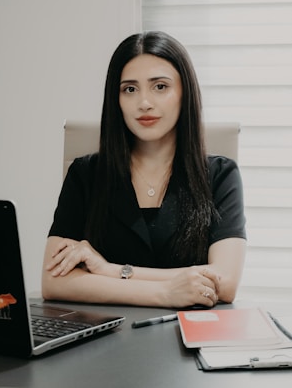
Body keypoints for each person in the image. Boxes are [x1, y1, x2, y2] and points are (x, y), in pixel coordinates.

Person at [42, 31, 246, 308]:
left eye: (160, 87)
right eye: (130, 89)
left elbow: (225, 283)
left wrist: (111, 270)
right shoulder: (85, 173)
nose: (144, 103)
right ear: (116, 100)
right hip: (103, 337)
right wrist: (165, 294)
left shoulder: (220, 175)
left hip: (190, 335)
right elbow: (53, 282)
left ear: (185, 93)